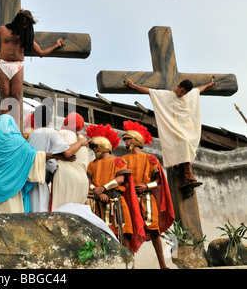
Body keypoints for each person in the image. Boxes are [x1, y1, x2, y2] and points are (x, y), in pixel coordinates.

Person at [0, 9, 65, 125]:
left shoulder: (26, 36)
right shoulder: (3, 30)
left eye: (27, 25)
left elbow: (41, 53)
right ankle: (4, 125)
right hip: (3, 64)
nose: (25, 27)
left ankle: (14, 125)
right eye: (23, 24)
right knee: (5, 94)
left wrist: (56, 45)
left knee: (16, 96)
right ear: (18, 21)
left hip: (17, 65)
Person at [125, 78, 216, 188]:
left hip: (186, 128)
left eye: (185, 93)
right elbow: (149, 91)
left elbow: (199, 90)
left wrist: (208, 85)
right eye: (182, 91)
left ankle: (187, 175)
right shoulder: (165, 95)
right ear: (178, 86)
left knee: (189, 142)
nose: (182, 94)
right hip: (173, 128)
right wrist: (134, 86)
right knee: (185, 141)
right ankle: (188, 174)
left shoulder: (189, 94)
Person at [121, 120, 175, 269]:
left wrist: (146, 186)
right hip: (129, 199)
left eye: (128, 138)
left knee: (154, 232)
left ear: (136, 140)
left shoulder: (150, 159)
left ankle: (163, 265)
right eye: (125, 139)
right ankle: (130, 266)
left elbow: (158, 180)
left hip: (147, 199)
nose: (125, 141)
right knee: (129, 233)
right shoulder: (122, 160)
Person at [86, 123, 145, 253]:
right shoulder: (92, 164)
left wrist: (102, 188)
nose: (94, 149)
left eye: (96, 146)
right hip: (99, 204)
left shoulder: (117, 161)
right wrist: (96, 191)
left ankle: (129, 266)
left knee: (124, 235)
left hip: (117, 202)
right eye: (93, 147)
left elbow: (121, 179)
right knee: (101, 237)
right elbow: (87, 180)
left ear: (103, 145)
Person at [0, 113, 49, 214]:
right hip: (10, 188)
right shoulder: (17, 141)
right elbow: (34, 156)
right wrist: (57, 156)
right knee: (11, 223)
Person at [28, 105, 88, 212]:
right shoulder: (52, 133)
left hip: (30, 182)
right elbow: (68, 152)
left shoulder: (32, 135)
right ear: (51, 119)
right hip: (41, 182)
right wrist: (80, 141)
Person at [50, 112, 90, 211]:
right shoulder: (83, 139)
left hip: (66, 178)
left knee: (61, 213)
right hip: (82, 182)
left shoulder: (64, 133)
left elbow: (67, 152)